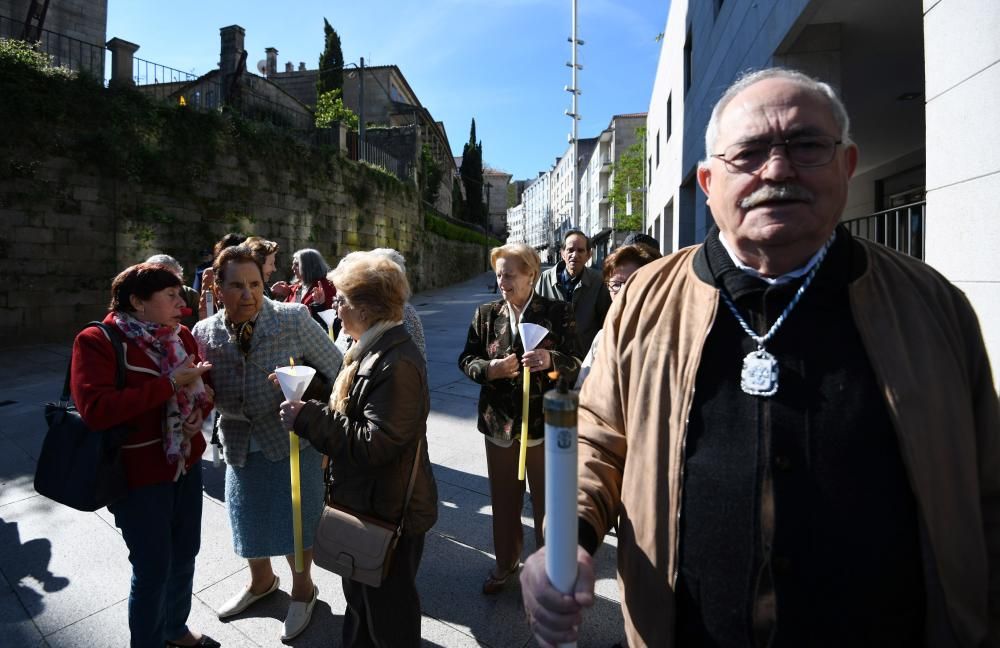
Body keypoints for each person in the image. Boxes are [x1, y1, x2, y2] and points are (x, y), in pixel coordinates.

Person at [521, 67, 1000, 647]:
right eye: (748, 153)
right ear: (707, 181)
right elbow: (598, 438)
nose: (778, 169)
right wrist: (566, 538)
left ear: (846, 166)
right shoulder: (645, 302)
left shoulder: (931, 308)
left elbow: (985, 487)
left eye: (807, 145)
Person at [279, 251, 438, 647]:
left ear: (366, 308)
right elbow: (355, 407)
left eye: (343, 299)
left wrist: (308, 418)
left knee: (388, 619)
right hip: (368, 503)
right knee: (363, 606)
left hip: (389, 514)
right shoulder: (372, 346)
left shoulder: (395, 361)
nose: (335, 304)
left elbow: (376, 442)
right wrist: (311, 392)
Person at [192, 245, 343, 642]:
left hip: (292, 439)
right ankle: (261, 582)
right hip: (239, 439)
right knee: (247, 517)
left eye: (256, 284)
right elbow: (201, 389)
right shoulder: (204, 332)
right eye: (237, 286)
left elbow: (340, 371)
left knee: (298, 518)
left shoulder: (292, 318)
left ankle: (303, 590)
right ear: (218, 288)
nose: (249, 294)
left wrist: (306, 390)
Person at [71, 262, 216, 648]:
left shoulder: (179, 334)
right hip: (138, 475)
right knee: (153, 566)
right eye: (170, 296)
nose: (181, 304)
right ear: (137, 301)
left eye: (180, 294)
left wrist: (198, 412)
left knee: (186, 553)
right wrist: (169, 384)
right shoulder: (97, 341)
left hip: (186, 462)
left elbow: (202, 388)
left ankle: (175, 629)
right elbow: (97, 410)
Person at [459, 243, 582, 595]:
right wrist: (490, 369)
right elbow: (467, 359)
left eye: (510, 274)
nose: (503, 281)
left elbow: (576, 361)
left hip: (544, 423)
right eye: (499, 274)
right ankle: (505, 563)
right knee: (504, 499)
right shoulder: (485, 315)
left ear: (531, 274)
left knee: (548, 503)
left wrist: (551, 359)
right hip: (499, 425)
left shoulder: (558, 312)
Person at [574, 243, 661, 388]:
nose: (623, 292)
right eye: (616, 284)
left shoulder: (668, 336)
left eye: (633, 282)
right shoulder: (603, 337)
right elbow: (582, 390)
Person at [535, 229, 611, 351]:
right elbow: (535, 316)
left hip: (586, 356)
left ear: (588, 255)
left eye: (580, 250)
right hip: (553, 357)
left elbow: (606, 322)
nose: (575, 255)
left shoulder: (598, 281)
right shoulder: (545, 279)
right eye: (570, 250)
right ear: (562, 253)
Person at [146, 254, 200, 330]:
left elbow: (201, 321)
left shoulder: (190, 295)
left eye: (172, 277)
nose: (182, 304)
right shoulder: (142, 297)